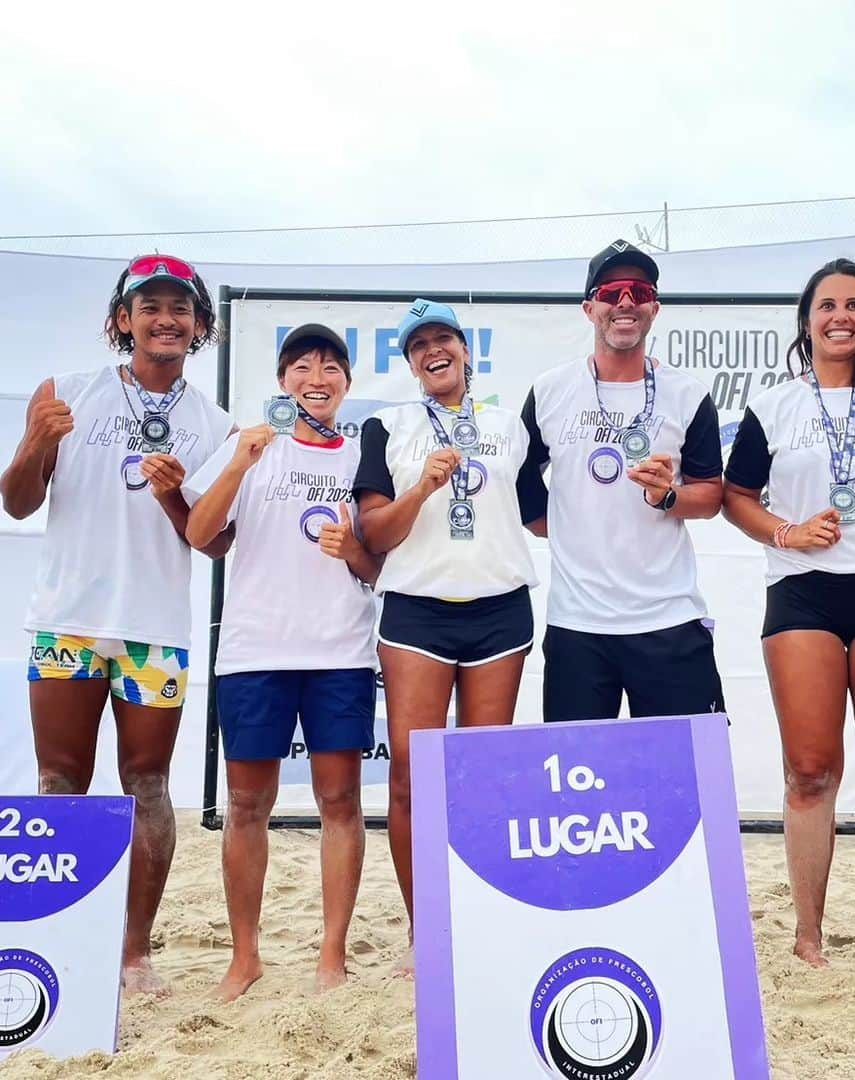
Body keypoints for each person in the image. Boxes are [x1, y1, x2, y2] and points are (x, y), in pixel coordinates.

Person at [0, 255, 233, 993]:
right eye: (150, 305)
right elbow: (15, 504)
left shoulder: (215, 423)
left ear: (200, 325)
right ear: (122, 319)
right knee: (60, 778)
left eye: (181, 308)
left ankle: (134, 953)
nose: (166, 318)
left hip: (154, 628)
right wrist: (37, 442)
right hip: (66, 622)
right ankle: (59, 931)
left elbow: (217, 538)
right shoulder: (63, 393)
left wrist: (174, 498)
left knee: (149, 785)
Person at [722, 258, 855, 977]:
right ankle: (809, 938)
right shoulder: (774, 406)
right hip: (803, 595)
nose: (841, 316)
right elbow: (735, 496)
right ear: (806, 319)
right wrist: (784, 530)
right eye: (827, 305)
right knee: (810, 773)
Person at [183, 324, 380, 1000]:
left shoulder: (361, 457)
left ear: (347, 384)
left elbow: (378, 564)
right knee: (245, 804)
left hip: (340, 651)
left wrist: (351, 548)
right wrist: (241, 460)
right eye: (301, 366)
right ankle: (245, 958)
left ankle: (331, 956)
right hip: (254, 650)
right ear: (282, 380)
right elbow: (199, 531)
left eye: (330, 366)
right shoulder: (250, 444)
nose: (315, 377)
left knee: (340, 801)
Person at [354, 299, 539, 977]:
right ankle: (423, 925)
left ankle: (483, 912)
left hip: (499, 608)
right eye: (419, 345)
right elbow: (374, 534)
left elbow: (542, 509)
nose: (434, 351)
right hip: (417, 613)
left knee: (485, 778)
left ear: (467, 353)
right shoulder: (388, 426)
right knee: (410, 777)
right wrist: (425, 487)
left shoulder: (507, 427)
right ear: (409, 362)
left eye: (444, 340)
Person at [518, 239, 725, 723]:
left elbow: (711, 495)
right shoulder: (551, 390)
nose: (625, 302)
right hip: (578, 623)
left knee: (682, 779)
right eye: (611, 292)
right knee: (581, 784)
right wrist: (559, 525)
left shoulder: (687, 394)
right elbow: (520, 478)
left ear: (654, 307)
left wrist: (667, 496)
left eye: (638, 290)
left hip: (668, 617)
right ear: (590, 309)